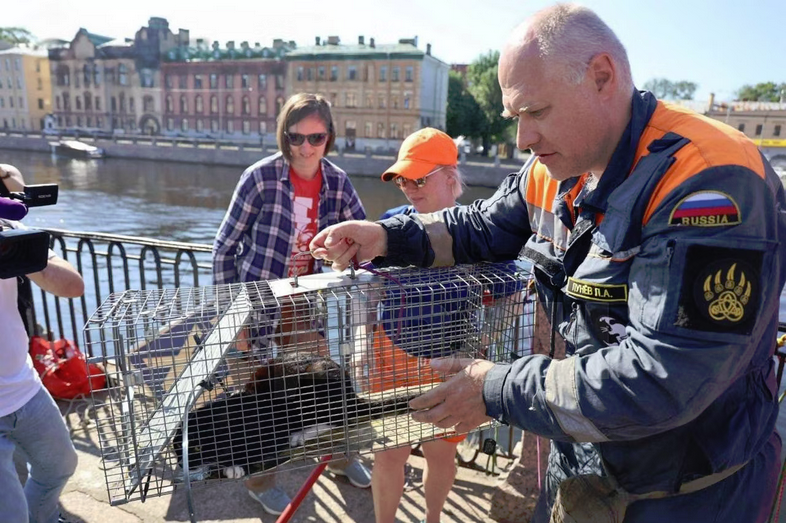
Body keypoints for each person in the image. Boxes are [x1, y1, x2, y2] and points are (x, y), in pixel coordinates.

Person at [309, 5, 785, 523]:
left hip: (687, 493)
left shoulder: (709, 180)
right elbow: (481, 227)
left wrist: (495, 388)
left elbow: (665, 378)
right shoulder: (558, 166)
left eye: (535, 111)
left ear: (602, 77)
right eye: (516, 117)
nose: (523, 139)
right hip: (583, 461)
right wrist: (385, 236)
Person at [212, 93, 372, 516]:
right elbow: (224, 249)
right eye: (296, 137)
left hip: (304, 305)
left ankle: (337, 457)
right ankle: (260, 482)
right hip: (256, 305)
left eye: (315, 138)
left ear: (328, 137)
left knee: (327, 385)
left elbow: (364, 241)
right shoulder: (260, 178)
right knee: (260, 402)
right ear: (284, 136)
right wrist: (232, 320)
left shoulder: (337, 182)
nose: (305, 147)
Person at [369, 128, 469, 523]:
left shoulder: (477, 231)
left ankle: (433, 519)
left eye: (419, 179)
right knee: (388, 454)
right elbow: (370, 292)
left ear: (450, 177)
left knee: (440, 453)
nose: (409, 188)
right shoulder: (390, 225)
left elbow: (507, 291)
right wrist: (360, 348)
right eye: (403, 180)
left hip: (447, 360)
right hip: (391, 353)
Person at [0, 163, 85, 523]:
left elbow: (73, 286)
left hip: (23, 388)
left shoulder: (8, 228)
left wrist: (21, 253)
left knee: (59, 466)